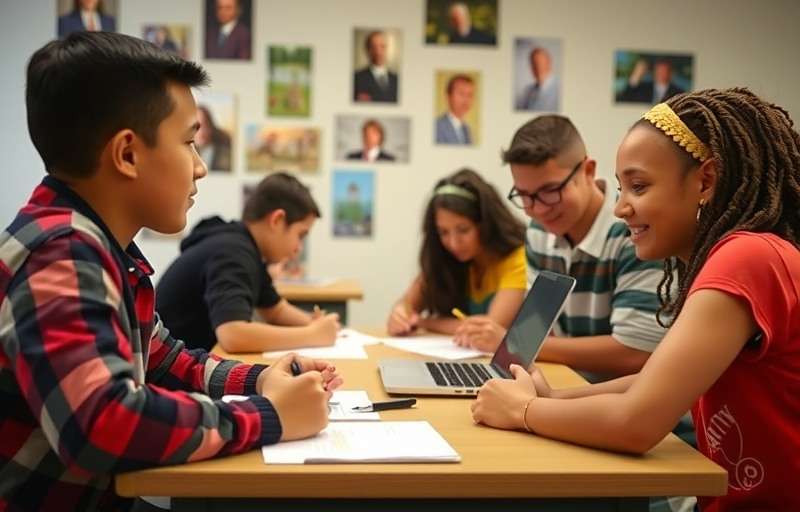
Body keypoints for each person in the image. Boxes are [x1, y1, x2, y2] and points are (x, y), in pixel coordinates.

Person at [0, 32, 342, 512]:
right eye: (189, 143)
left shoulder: (102, 249)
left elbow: (167, 361)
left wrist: (261, 381)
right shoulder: (62, 255)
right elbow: (104, 424)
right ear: (128, 154)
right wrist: (269, 416)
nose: (200, 168)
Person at [472, 88, 800, 511]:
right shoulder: (726, 258)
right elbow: (658, 382)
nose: (621, 208)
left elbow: (636, 424)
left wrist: (526, 411)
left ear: (706, 180)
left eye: (639, 186)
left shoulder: (746, 257)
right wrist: (554, 401)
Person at [458, 115, 666, 382]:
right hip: (569, 387)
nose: (539, 209)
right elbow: (539, 328)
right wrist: (520, 343)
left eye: (550, 190)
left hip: (627, 404)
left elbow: (635, 351)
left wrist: (513, 343)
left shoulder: (634, 230)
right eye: (524, 195)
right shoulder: (538, 231)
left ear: (588, 171)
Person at [157, 172, 339, 353]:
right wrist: (312, 335)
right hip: (164, 375)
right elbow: (232, 334)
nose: (299, 248)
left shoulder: (246, 248)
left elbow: (275, 310)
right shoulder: (233, 252)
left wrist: (313, 323)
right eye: (301, 235)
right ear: (277, 220)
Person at [387, 169, 526, 340]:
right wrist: (399, 315)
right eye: (443, 232)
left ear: (486, 224)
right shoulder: (445, 258)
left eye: (463, 230)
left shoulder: (517, 258)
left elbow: (487, 329)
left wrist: (425, 322)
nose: (453, 243)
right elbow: (406, 305)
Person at [353, 31, 398, 103]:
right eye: (373, 47)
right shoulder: (356, 78)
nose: (378, 52)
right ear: (367, 50)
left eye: (382, 46)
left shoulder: (396, 79)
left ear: (387, 49)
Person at [619, 58, 685, 104]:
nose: (661, 73)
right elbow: (625, 97)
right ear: (654, 72)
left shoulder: (678, 92)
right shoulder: (643, 88)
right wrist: (636, 74)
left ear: (670, 73)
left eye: (664, 71)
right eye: (658, 70)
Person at [435, 74, 476, 145]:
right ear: (448, 96)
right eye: (461, 94)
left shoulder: (467, 129)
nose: (466, 100)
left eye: (470, 95)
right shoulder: (437, 126)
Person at [516, 47, 560, 112]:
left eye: (541, 63)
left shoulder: (559, 89)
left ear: (549, 63)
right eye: (534, 64)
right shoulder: (528, 90)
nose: (538, 68)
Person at [196, 104, 232, 171]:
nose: (201, 131)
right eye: (196, 126)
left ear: (211, 126)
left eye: (205, 125)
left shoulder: (224, 153)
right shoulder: (185, 153)